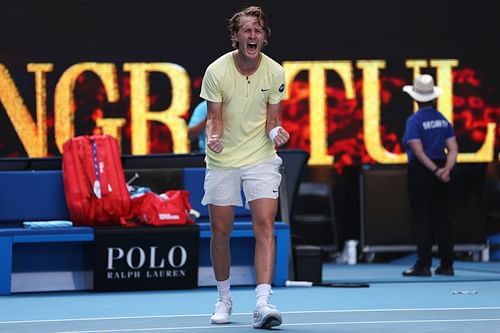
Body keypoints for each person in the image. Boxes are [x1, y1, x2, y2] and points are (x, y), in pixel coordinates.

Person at [199, 6, 290, 329]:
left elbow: (272, 121)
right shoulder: (217, 71)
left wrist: (275, 132)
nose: (253, 35)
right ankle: (224, 299)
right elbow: (214, 117)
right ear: (236, 35)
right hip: (223, 160)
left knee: (265, 225)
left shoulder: (275, 72)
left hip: (260, 158)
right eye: (247, 30)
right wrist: (213, 138)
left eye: (258, 30)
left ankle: (263, 304)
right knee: (220, 233)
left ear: (264, 38)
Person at [401, 74, 458, 277]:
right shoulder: (443, 120)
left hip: (422, 171)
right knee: (443, 216)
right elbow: (452, 148)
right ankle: (447, 264)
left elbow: (418, 151)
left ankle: (423, 265)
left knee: (423, 218)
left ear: (416, 98)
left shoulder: (414, 121)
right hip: (442, 170)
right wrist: (446, 170)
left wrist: (434, 171)